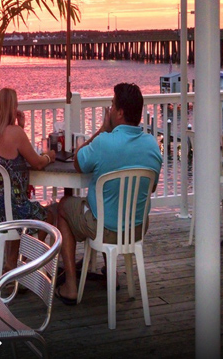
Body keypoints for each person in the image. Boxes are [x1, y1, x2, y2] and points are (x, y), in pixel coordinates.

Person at [55, 82, 162, 305]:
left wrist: (103, 129)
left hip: (103, 227)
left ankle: (71, 286)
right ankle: (110, 275)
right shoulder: (152, 146)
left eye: (112, 106)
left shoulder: (104, 142)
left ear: (120, 112)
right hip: (136, 228)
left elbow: (78, 162)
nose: (110, 110)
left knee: (64, 206)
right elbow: (150, 188)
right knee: (111, 205)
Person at [0, 87, 56, 271]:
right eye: (15, 105)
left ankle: (12, 264)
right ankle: (26, 266)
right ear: (10, 108)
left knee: (16, 208)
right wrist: (50, 156)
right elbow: (37, 163)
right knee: (50, 214)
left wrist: (20, 127)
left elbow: (11, 154)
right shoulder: (15, 133)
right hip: (13, 210)